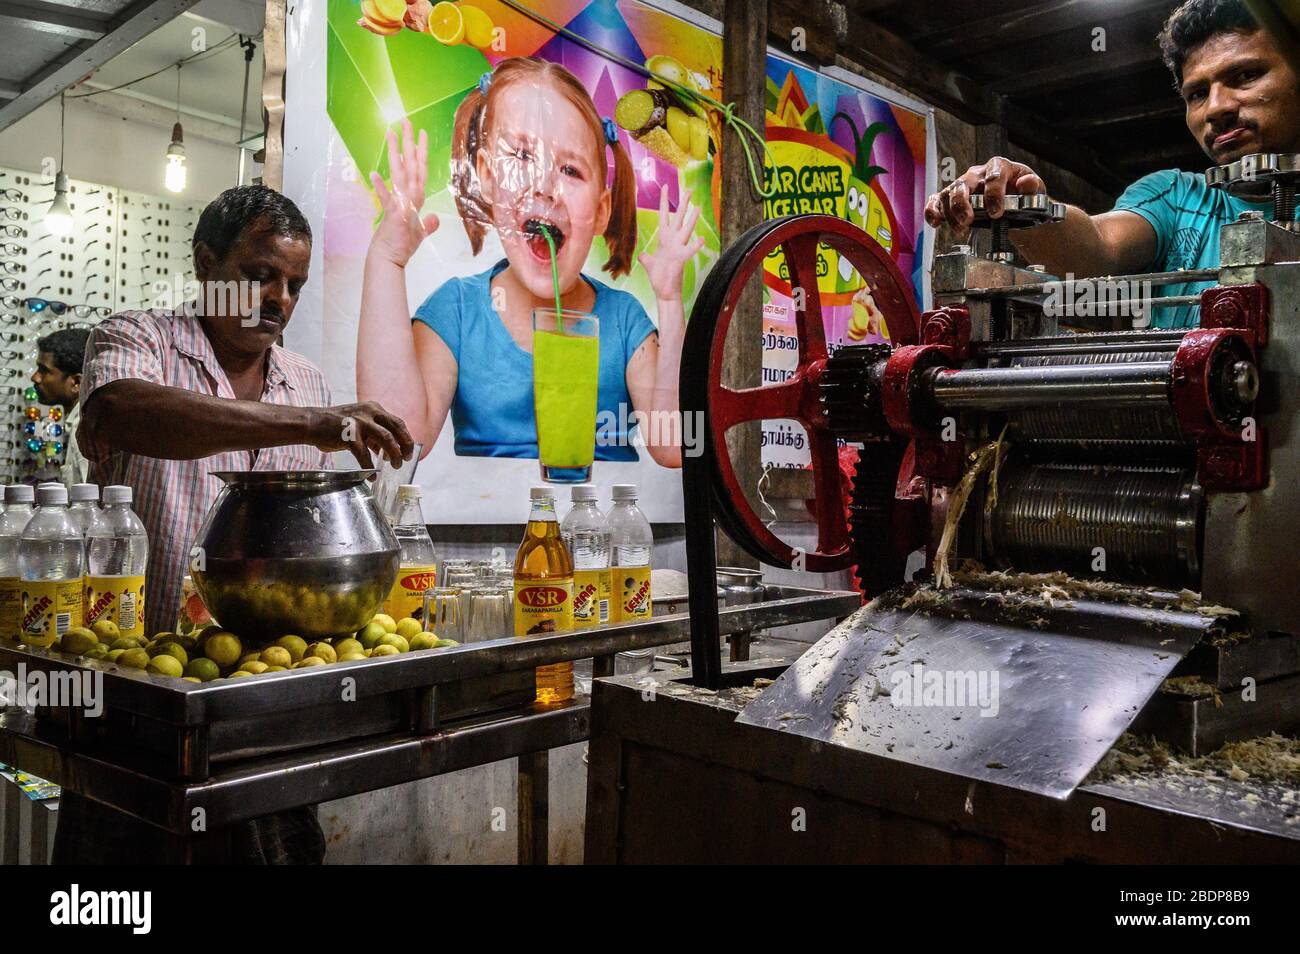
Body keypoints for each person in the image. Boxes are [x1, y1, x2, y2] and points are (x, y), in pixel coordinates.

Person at [56, 184, 414, 865]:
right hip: (138, 700)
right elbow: (116, 413)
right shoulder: (139, 339)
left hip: (262, 707)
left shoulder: (305, 382)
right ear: (205, 264)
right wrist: (309, 424)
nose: (278, 298)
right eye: (258, 276)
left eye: (294, 285)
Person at [358, 56, 702, 468]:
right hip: (488, 528)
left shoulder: (624, 320)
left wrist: (668, 300)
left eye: (571, 170)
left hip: (600, 525)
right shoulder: (458, 311)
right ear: (486, 174)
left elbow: (675, 445)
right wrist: (387, 259)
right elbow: (401, 441)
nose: (544, 186)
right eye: (520, 156)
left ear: (602, 210)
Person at [924, 0, 1300, 328]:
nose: (1217, 108)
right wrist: (1023, 200)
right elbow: (1099, 247)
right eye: (1197, 94)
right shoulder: (1175, 196)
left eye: (1246, 75)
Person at [32, 327, 90, 485]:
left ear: (76, 383)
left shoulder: (83, 431)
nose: (35, 377)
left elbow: (89, 505)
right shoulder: (80, 424)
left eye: (44, 370)